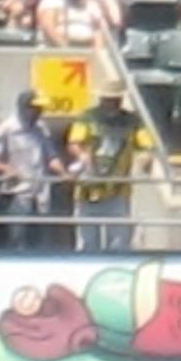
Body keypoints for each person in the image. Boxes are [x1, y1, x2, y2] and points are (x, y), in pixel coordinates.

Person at [65, 85, 153, 253]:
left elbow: (147, 145)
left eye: (114, 100)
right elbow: (73, 143)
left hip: (119, 190)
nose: (111, 103)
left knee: (120, 243)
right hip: (87, 189)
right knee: (88, 243)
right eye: (107, 99)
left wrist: (144, 159)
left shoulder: (133, 121)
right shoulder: (87, 117)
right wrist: (82, 155)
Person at [0, 91, 67, 248]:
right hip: (17, 192)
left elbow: (51, 156)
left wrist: (63, 173)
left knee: (42, 238)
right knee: (18, 236)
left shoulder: (41, 128)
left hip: (40, 192)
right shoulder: (8, 127)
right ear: (24, 108)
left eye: (41, 108)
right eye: (35, 108)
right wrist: (7, 169)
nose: (39, 111)